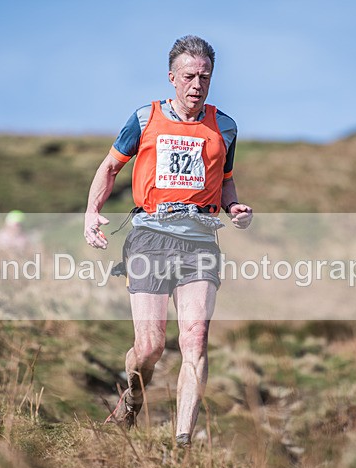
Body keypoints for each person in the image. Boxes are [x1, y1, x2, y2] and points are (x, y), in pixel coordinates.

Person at [83, 35, 253, 447]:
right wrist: (92, 213)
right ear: (172, 78)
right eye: (190, 76)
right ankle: (132, 397)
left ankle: (181, 443)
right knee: (151, 346)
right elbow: (110, 167)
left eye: (205, 77)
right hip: (150, 237)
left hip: (200, 242)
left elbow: (226, 182)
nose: (198, 84)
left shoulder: (224, 126)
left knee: (195, 339)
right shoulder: (145, 118)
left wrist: (234, 208)